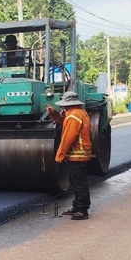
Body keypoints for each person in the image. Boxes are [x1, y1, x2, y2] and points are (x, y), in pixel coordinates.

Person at [46, 91, 92, 220]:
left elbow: (68, 137)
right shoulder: (78, 113)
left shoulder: (74, 116)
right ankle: (77, 206)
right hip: (79, 154)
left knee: (79, 182)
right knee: (76, 181)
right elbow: (65, 123)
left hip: (77, 154)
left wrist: (59, 155)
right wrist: (55, 115)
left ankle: (83, 210)